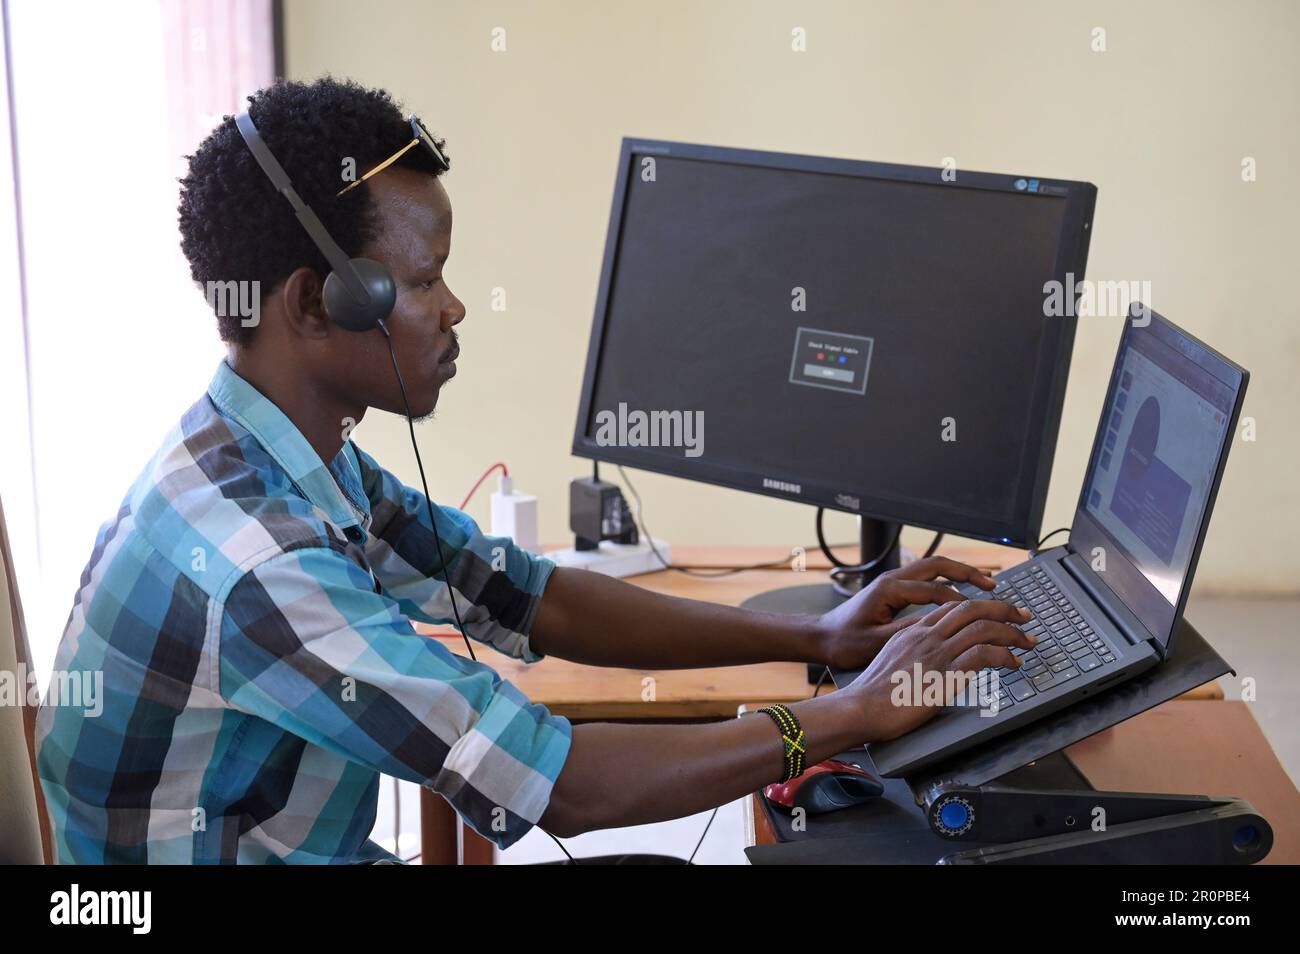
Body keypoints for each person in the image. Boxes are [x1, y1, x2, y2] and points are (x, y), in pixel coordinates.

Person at [35, 77, 1034, 863]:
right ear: (314, 304)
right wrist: (852, 711)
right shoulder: (252, 562)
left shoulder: (288, 457)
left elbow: (526, 596)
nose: (454, 308)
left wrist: (815, 634)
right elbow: (564, 785)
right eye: (423, 282)